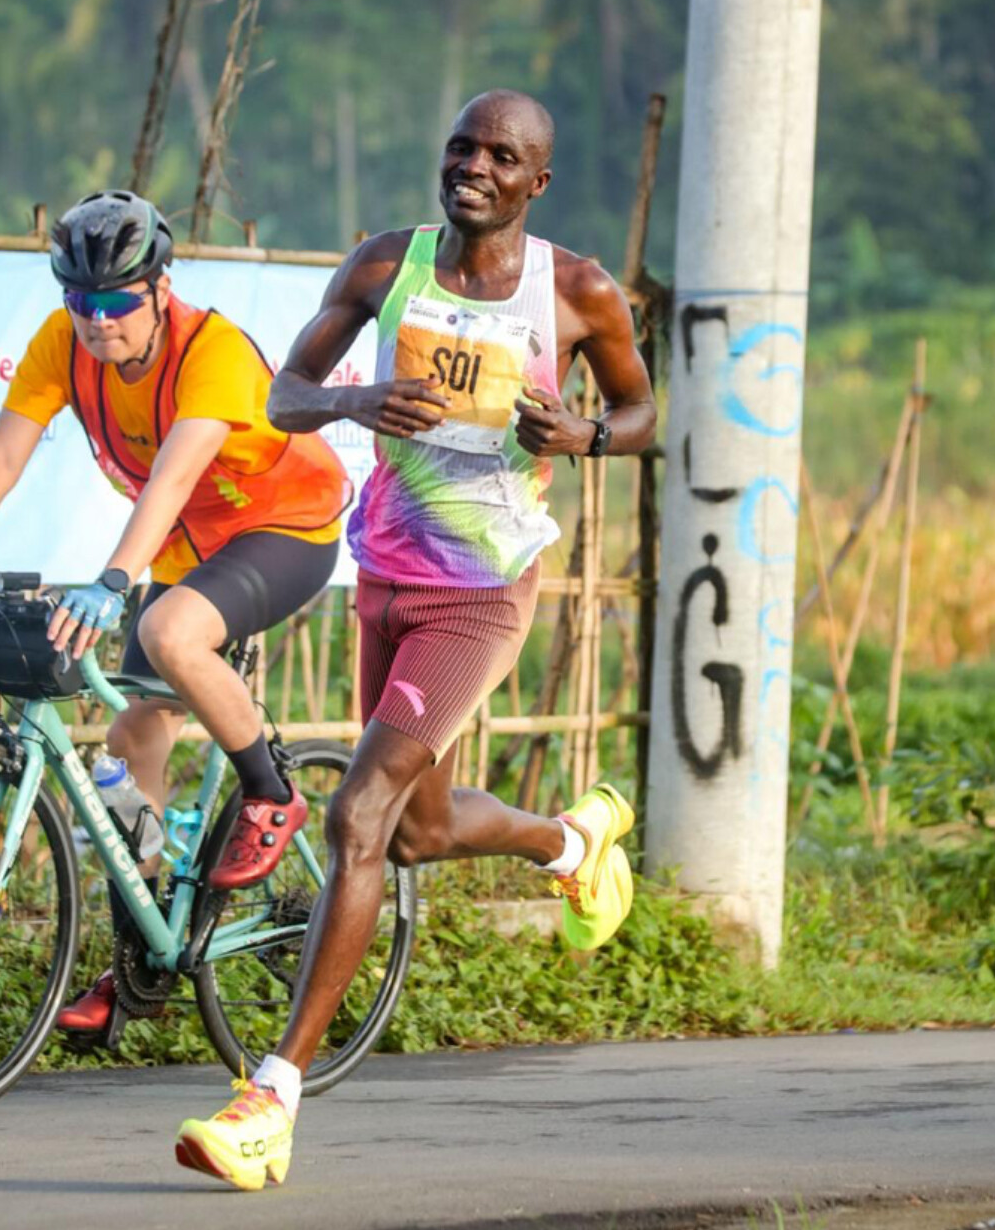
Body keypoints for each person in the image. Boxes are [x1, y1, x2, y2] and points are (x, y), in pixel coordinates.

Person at [175, 90, 658, 1190]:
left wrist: (583, 432)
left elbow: (643, 413)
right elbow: (283, 395)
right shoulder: (386, 265)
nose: (474, 167)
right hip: (386, 575)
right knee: (415, 833)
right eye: (461, 147)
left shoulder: (577, 290)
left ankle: (271, 1101)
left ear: (537, 182)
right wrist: (356, 403)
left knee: (359, 812)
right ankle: (571, 845)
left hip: (482, 593)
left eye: (502, 156)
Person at [0, 189, 350, 1044]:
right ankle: (141, 960)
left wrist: (113, 579)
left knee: (168, 631)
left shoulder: (211, 351)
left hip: (283, 526)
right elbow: (4, 451)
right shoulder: (63, 343)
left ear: (160, 289)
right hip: (190, 550)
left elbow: (174, 476)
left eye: (116, 302)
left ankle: (272, 794)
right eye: (81, 300)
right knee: (127, 745)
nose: (97, 320)